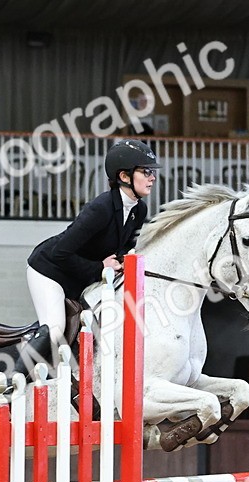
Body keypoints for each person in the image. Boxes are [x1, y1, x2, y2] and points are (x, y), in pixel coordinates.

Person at [26, 139, 159, 353]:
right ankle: (12, 382)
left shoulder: (139, 210)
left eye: (152, 172)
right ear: (124, 176)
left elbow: (123, 251)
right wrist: (100, 268)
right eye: (145, 172)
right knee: (55, 329)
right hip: (49, 270)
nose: (152, 177)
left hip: (81, 276)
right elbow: (61, 252)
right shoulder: (101, 208)